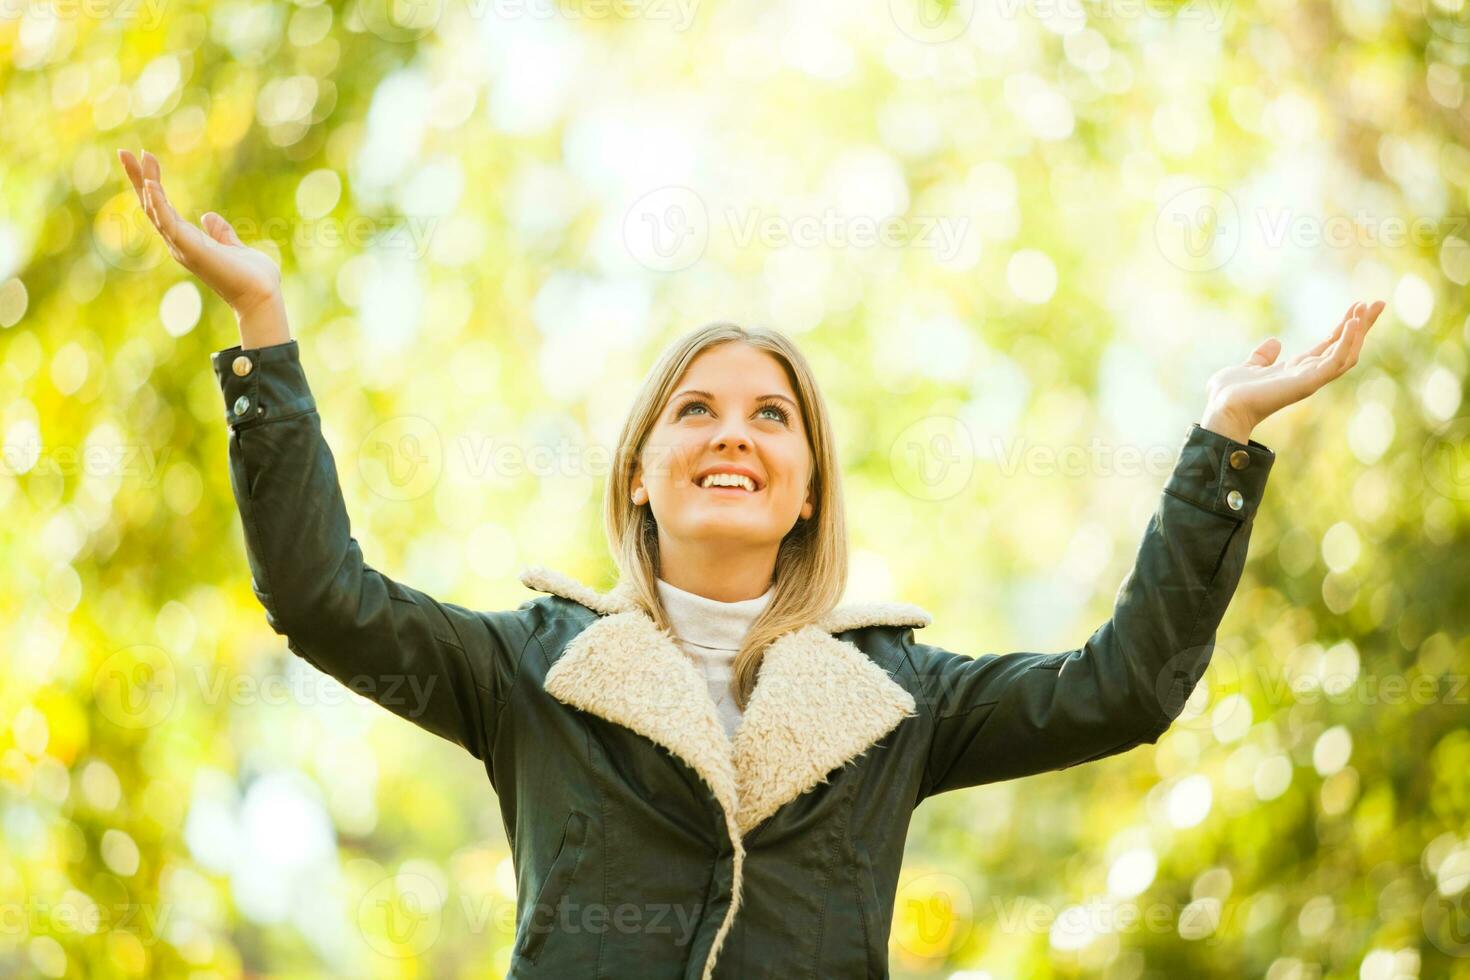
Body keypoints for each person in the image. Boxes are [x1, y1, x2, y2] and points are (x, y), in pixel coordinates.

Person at [118, 148, 1385, 979]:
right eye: (698, 410)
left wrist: (1223, 436)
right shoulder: (530, 670)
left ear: (805, 492)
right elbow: (321, 596)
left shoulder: (899, 698)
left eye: (772, 415)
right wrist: (261, 330)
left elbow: (1124, 688)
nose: (735, 430)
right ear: (639, 471)